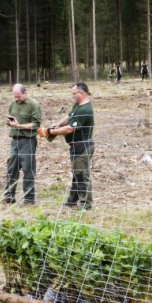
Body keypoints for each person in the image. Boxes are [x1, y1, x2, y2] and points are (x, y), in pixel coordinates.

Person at [39, 82, 95, 210]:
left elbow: (70, 129)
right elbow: (69, 117)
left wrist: (49, 132)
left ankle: (86, 204)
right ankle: (73, 200)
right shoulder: (79, 105)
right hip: (76, 146)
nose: (72, 96)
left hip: (82, 146)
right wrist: (56, 124)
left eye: (74, 94)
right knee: (77, 174)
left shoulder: (85, 109)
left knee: (82, 174)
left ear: (81, 93)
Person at [3, 83, 42, 205]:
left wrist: (19, 126)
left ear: (25, 93)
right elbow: (10, 119)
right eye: (14, 96)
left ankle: (29, 199)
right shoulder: (13, 104)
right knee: (11, 169)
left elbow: (36, 125)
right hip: (15, 141)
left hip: (28, 141)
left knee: (28, 170)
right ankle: (9, 197)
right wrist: (10, 123)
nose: (16, 99)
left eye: (18, 96)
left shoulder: (33, 105)